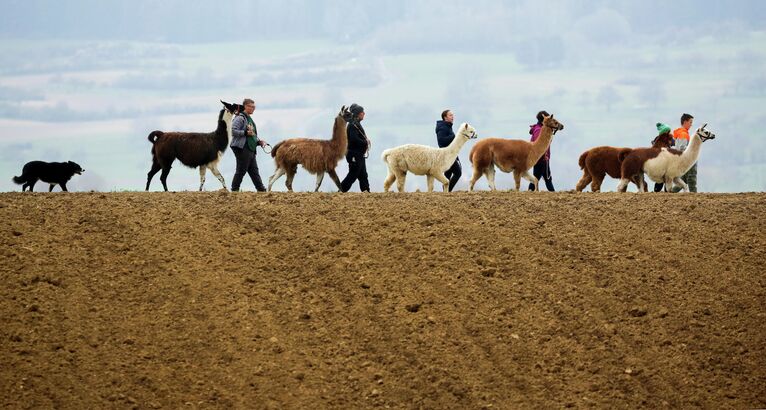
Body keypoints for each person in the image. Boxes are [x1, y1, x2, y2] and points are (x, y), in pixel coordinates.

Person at [230, 98, 267, 192]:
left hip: (250, 148)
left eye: (254, 107)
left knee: (254, 171)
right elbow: (233, 131)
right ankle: (234, 191)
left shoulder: (248, 119)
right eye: (251, 106)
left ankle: (261, 190)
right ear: (245, 106)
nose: (253, 108)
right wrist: (245, 133)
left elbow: (251, 136)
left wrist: (259, 142)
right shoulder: (240, 118)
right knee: (241, 170)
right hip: (242, 148)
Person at [340, 103, 371, 192]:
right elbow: (354, 139)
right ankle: (340, 191)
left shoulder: (355, 124)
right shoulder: (353, 125)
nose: (364, 113)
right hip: (354, 154)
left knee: (363, 175)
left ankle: (366, 192)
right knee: (353, 175)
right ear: (358, 114)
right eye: (362, 112)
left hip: (359, 155)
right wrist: (365, 142)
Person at [528, 110, 555, 191]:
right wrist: (545, 156)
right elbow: (539, 145)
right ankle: (553, 194)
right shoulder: (539, 130)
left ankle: (529, 192)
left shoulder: (537, 128)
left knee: (537, 177)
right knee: (546, 178)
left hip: (539, 158)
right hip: (542, 158)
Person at [435, 109, 461, 192]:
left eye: (452, 115)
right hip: (446, 155)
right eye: (450, 115)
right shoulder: (443, 127)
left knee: (448, 174)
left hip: (450, 154)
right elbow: (441, 141)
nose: (452, 117)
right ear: (445, 117)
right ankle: (448, 191)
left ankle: (445, 193)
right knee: (458, 173)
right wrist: (454, 137)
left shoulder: (448, 126)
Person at [672, 113, 696, 192]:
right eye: (690, 122)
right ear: (685, 122)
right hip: (687, 159)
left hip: (681, 160)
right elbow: (682, 148)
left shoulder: (680, 132)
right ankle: (694, 196)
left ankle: (671, 193)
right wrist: (692, 149)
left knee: (683, 180)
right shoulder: (683, 134)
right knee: (692, 178)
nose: (691, 124)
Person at [653, 122, 673, 192]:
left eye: (668, 131)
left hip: (667, 162)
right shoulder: (657, 139)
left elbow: (674, 143)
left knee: (668, 178)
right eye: (667, 131)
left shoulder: (669, 138)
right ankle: (657, 191)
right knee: (660, 179)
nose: (668, 133)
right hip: (660, 162)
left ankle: (666, 191)